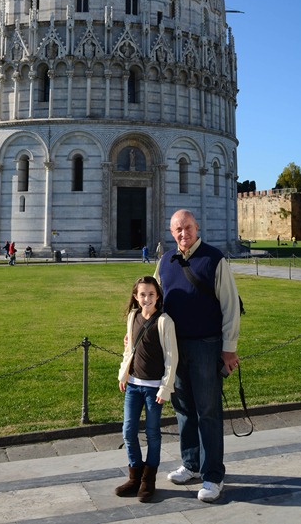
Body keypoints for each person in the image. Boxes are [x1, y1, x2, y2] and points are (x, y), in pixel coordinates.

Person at [154, 209, 240, 503]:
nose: (183, 234)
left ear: (196, 227)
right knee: (184, 410)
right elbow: (154, 301)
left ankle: (213, 475)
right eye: (177, 229)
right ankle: (191, 464)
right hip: (175, 349)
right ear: (171, 232)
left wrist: (229, 348)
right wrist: (138, 329)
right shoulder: (165, 261)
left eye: (187, 228)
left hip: (206, 345)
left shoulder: (214, 259)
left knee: (208, 412)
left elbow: (229, 306)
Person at [116, 276, 178, 502]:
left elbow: (172, 357)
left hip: (154, 389)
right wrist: (124, 373)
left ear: (158, 296)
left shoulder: (164, 322)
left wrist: (165, 387)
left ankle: (148, 480)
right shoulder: (132, 317)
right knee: (128, 431)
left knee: (152, 433)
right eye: (142, 294)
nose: (146, 298)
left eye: (151, 294)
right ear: (135, 297)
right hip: (133, 385)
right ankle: (134, 475)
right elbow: (129, 349)